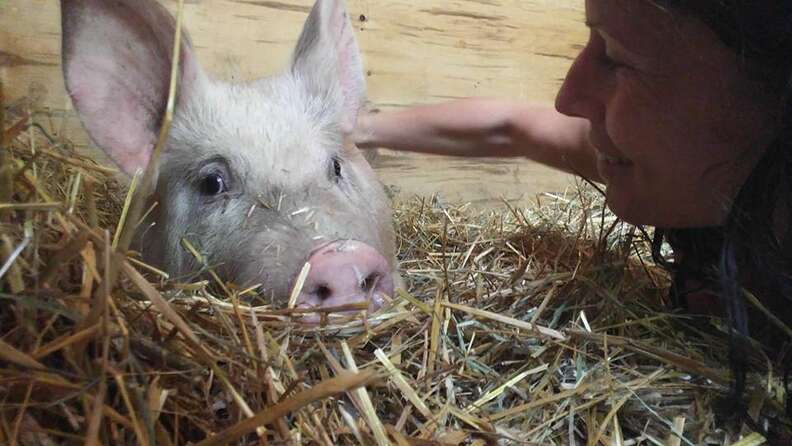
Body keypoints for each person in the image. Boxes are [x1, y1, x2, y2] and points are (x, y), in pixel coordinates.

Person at [355, 0, 792, 437]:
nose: (567, 98)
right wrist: (353, 130)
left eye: (617, 57)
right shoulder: (699, 165)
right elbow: (509, 126)